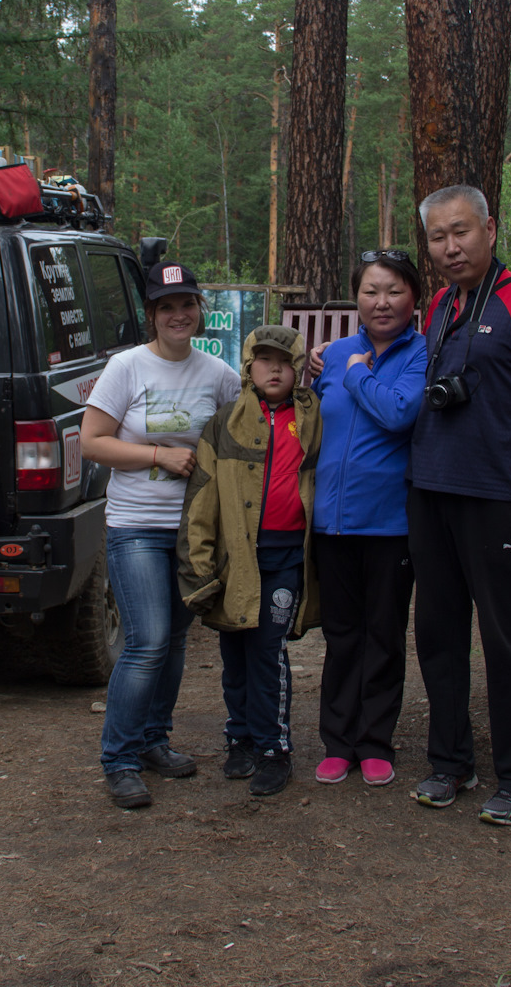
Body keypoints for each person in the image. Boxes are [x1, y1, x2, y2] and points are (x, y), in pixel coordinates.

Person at [408, 185, 511, 827]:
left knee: (506, 640)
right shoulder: (442, 305)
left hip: (499, 497)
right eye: (439, 238)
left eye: (461, 232)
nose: (451, 247)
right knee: (438, 636)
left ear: (490, 230)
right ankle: (451, 763)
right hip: (432, 493)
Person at [81, 260, 241, 810]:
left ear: (200, 310)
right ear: (152, 315)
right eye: (166, 307)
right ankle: (119, 758)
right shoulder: (127, 368)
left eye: (187, 304)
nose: (179, 315)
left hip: (192, 535)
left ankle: (154, 739)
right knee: (146, 643)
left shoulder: (218, 375)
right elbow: (93, 441)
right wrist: (157, 455)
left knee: (173, 643)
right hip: (136, 527)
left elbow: (239, 441)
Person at [178, 325, 322, 798]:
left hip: (285, 558)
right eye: (264, 360)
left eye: (283, 360)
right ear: (248, 368)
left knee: (267, 652)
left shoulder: (315, 416)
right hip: (235, 560)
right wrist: (198, 566)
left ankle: (273, 748)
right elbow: (201, 499)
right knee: (235, 653)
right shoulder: (224, 422)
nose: (274, 368)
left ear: (297, 366)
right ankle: (238, 738)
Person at [309, 251, 427, 788]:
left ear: (414, 299)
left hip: (390, 524)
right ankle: (338, 740)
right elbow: (313, 414)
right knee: (341, 635)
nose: (382, 302)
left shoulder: (424, 352)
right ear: (355, 298)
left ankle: (376, 741)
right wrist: (329, 365)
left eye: (394, 291)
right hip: (332, 523)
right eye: (372, 291)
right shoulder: (334, 355)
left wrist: (357, 375)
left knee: (383, 634)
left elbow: (401, 413)